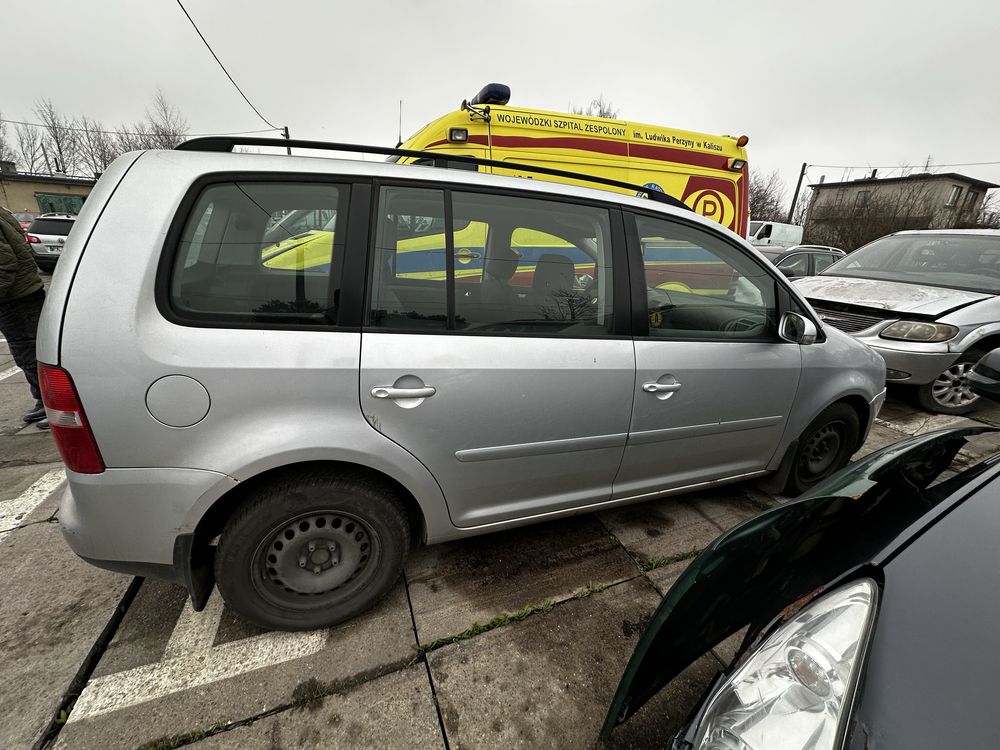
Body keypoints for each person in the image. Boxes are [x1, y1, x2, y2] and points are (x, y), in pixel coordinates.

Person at [0, 205, 49, 430]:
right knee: (35, 349)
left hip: (15, 298)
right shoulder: (3, 212)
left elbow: (5, 262)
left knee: (28, 351)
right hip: (26, 292)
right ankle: (45, 400)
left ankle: (49, 403)